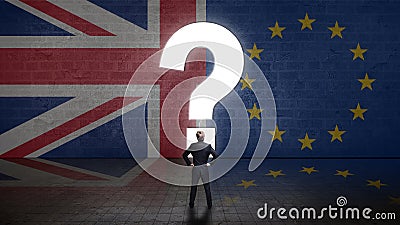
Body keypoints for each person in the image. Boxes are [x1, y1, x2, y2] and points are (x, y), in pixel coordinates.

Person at [182, 131, 218, 209]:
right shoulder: (207, 146)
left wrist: (189, 163)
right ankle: (209, 205)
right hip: (204, 169)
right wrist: (210, 164)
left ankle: (191, 204)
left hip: (195, 169)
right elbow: (215, 155)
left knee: (193, 187)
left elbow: (184, 155)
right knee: (207, 187)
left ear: (197, 137)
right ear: (203, 137)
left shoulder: (193, 145)